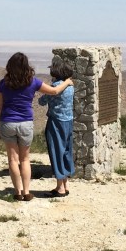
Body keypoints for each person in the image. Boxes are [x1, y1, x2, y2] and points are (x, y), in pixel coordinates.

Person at [0, 52, 73, 201]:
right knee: (25, 159)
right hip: (25, 123)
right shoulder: (33, 82)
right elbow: (55, 91)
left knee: (13, 160)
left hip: (7, 122)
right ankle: (26, 192)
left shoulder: (3, 83)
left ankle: (17, 192)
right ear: (27, 66)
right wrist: (67, 82)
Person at [38, 58, 75, 197]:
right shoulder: (70, 85)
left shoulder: (56, 86)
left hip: (56, 122)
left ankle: (59, 188)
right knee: (66, 151)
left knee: (57, 152)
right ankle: (65, 185)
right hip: (69, 121)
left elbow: (42, 101)